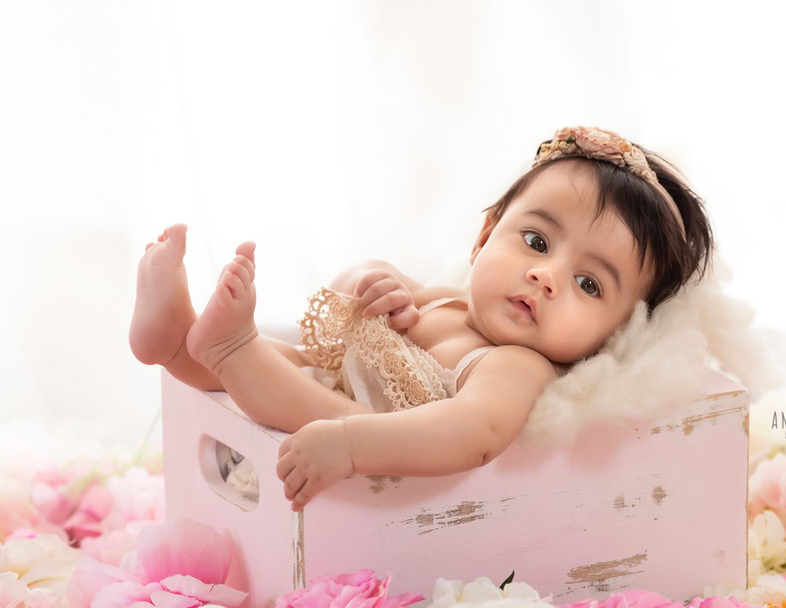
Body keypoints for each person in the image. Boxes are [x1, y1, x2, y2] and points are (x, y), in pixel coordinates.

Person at [129, 126, 714, 511]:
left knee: (296, 384)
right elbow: (362, 296)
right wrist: (374, 281)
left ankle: (230, 348)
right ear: (485, 235)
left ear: (615, 333)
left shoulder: (516, 365)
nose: (546, 276)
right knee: (300, 361)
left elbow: (471, 435)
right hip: (324, 386)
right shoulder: (447, 301)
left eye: (589, 284)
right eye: (536, 241)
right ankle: (175, 341)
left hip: (358, 443)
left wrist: (352, 442)